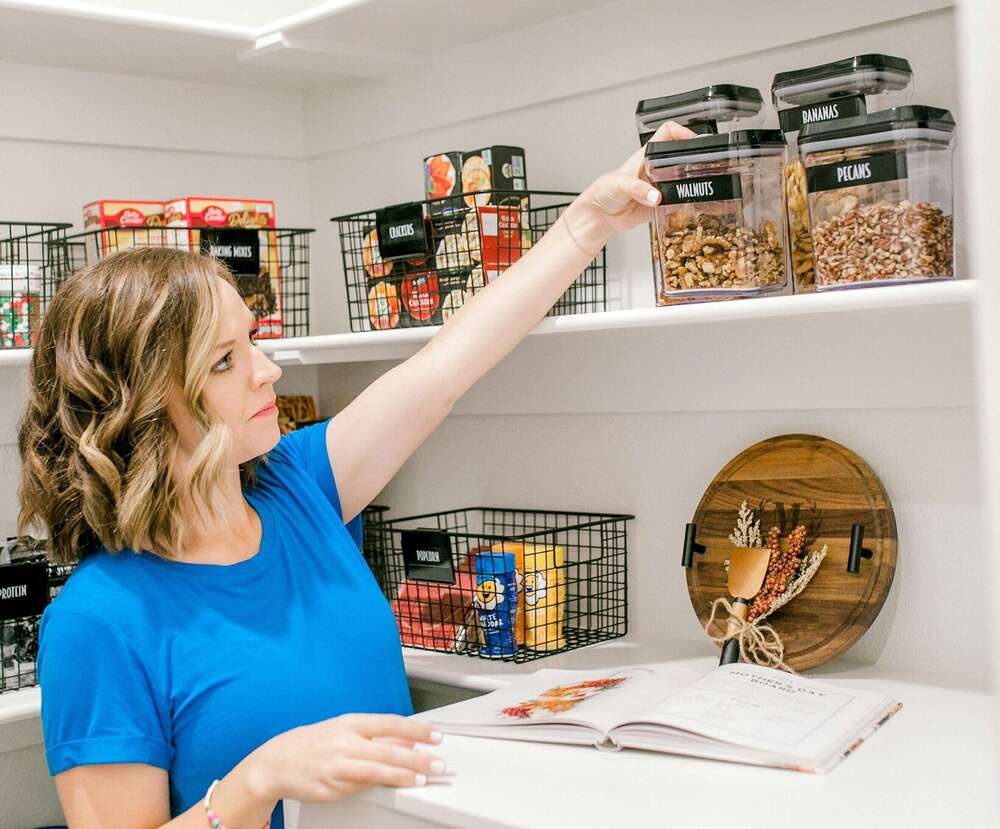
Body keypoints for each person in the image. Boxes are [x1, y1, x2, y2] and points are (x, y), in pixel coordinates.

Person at [20, 121, 693, 829]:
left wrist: (588, 224)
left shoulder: (297, 487)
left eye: (252, 339)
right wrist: (257, 780)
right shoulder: (98, 621)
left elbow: (449, 364)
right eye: (223, 361)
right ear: (139, 404)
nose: (266, 370)